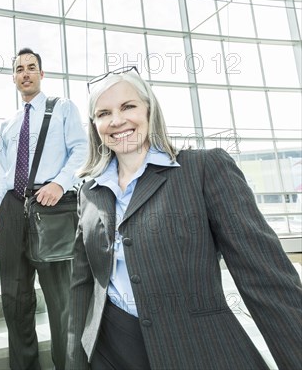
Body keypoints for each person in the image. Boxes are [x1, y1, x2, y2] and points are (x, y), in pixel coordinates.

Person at [66, 66, 302, 369]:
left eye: (128, 106)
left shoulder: (203, 169)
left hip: (198, 349)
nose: (117, 120)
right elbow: (82, 285)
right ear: (94, 124)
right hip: (111, 350)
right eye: (103, 113)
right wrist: (74, 359)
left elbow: (266, 279)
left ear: (149, 110)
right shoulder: (89, 192)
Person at [0, 48, 87, 370]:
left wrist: (60, 183)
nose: (25, 73)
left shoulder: (62, 108)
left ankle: (67, 365)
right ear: (15, 77)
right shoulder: (9, 123)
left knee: (62, 301)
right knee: (14, 298)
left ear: (41, 74)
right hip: (13, 208)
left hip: (53, 207)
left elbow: (82, 149)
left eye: (32, 68)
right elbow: (1, 169)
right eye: (19, 69)